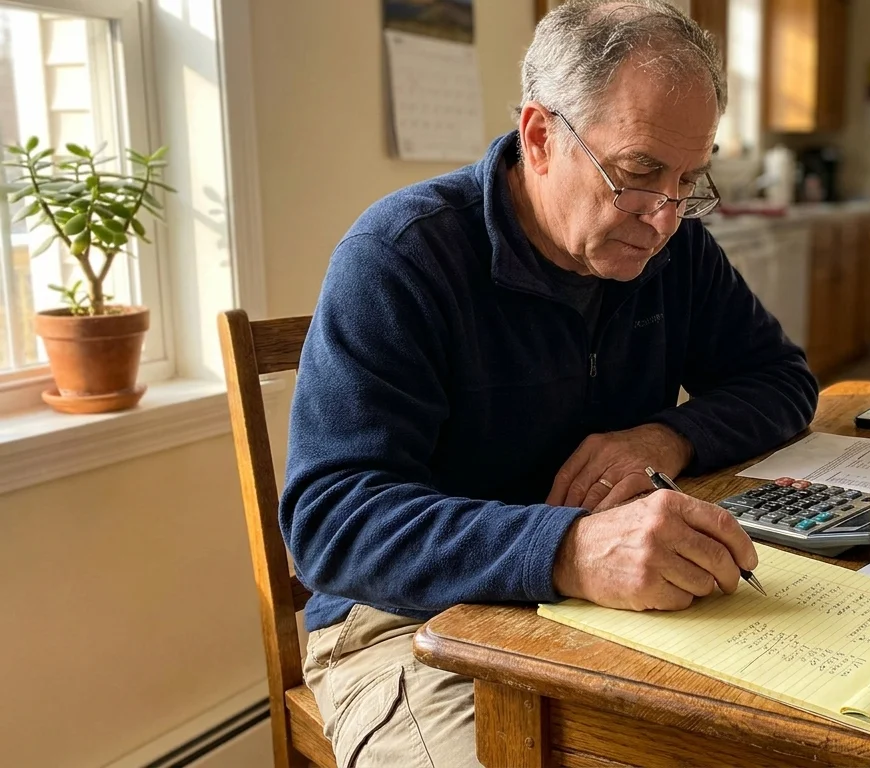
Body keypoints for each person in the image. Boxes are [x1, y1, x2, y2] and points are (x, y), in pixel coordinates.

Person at [281, 2, 820, 765]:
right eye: (637, 175)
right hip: (406, 621)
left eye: (688, 181)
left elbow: (782, 379)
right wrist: (568, 550)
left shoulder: (673, 251)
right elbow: (331, 522)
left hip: (611, 603)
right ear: (540, 137)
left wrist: (669, 434)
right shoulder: (401, 257)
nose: (665, 218)